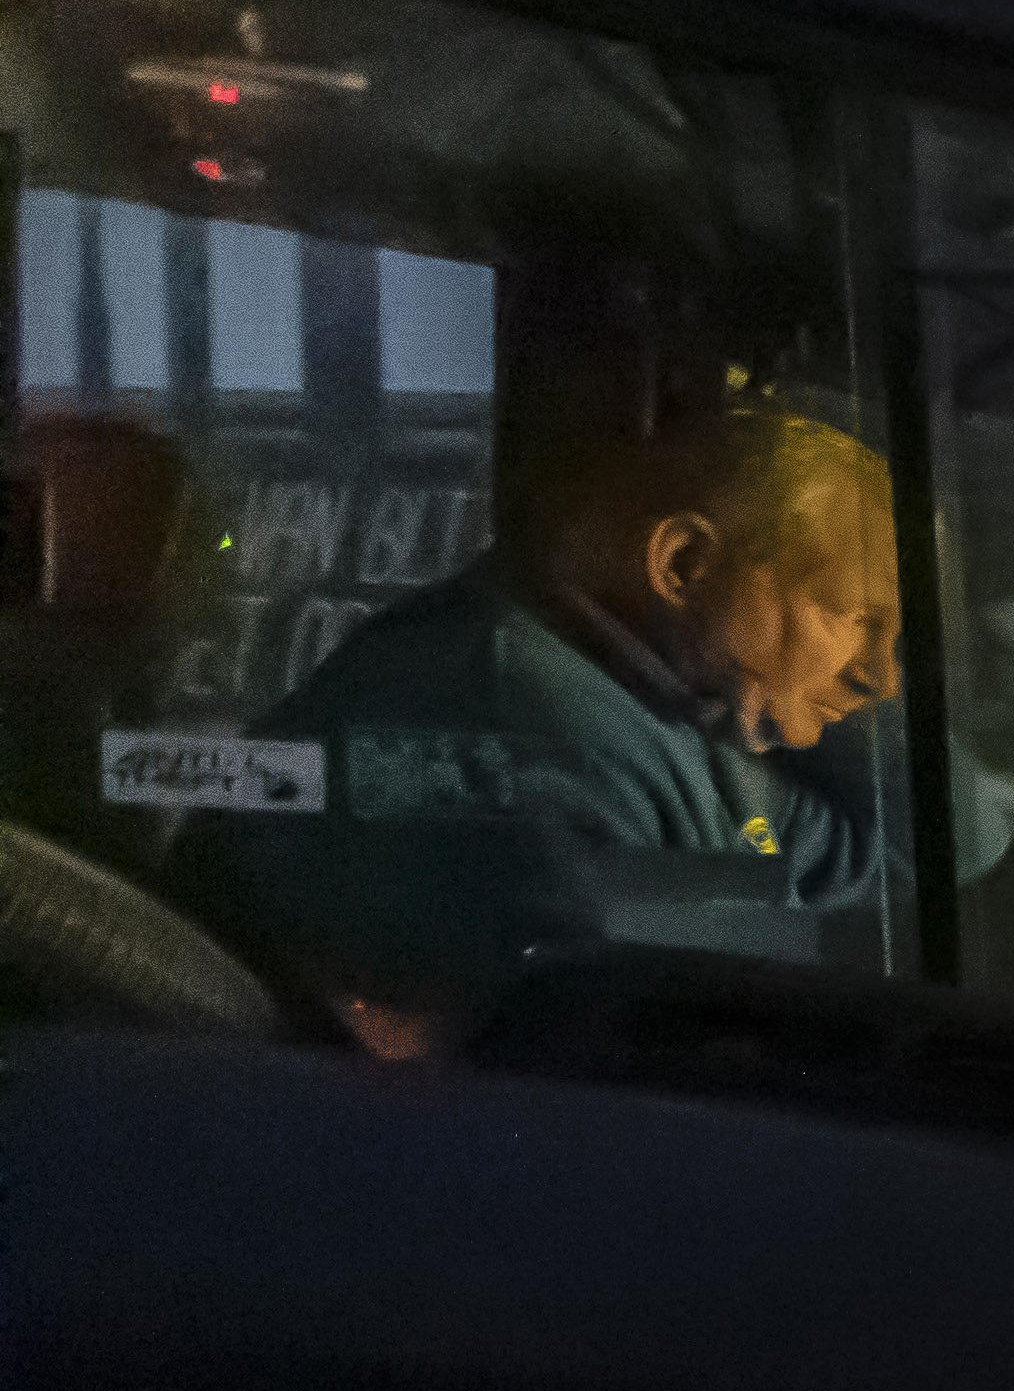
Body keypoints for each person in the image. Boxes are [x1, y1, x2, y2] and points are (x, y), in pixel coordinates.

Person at [174, 388, 907, 1052]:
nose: (884, 676)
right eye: (855, 618)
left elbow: (904, 852)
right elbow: (595, 1056)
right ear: (682, 564)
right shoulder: (503, 724)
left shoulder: (673, 706)